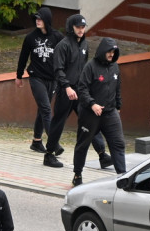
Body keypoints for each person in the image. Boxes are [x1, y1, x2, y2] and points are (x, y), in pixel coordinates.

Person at [43, 14, 109, 169]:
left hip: (80, 91)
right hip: (66, 91)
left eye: (83, 27)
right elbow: (58, 70)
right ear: (71, 28)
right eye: (78, 27)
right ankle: (49, 154)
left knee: (91, 120)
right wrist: (66, 87)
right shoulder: (63, 45)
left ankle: (102, 154)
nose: (81, 30)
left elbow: (85, 68)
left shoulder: (85, 44)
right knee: (58, 121)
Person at [71, 37, 127, 185]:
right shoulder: (90, 67)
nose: (111, 54)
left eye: (114, 52)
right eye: (109, 51)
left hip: (110, 113)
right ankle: (77, 174)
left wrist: (118, 106)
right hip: (90, 113)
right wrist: (92, 104)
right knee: (83, 144)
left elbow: (117, 87)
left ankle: (122, 176)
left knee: (118, 143)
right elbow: (82, 89)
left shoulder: (115, 67)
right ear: (102, 51)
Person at [15, 6, 63, 157]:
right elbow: (23, 57)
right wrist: (19, 75)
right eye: (36, 18)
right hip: (36, 77)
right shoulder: (30, 37)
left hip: (53, 78)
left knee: (43, 109)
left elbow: (64, 56)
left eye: (40, 18)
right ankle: (53, 143)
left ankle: (36, 141)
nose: (37, 21)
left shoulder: (58, 37)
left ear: (47, 20)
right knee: (46, 109)